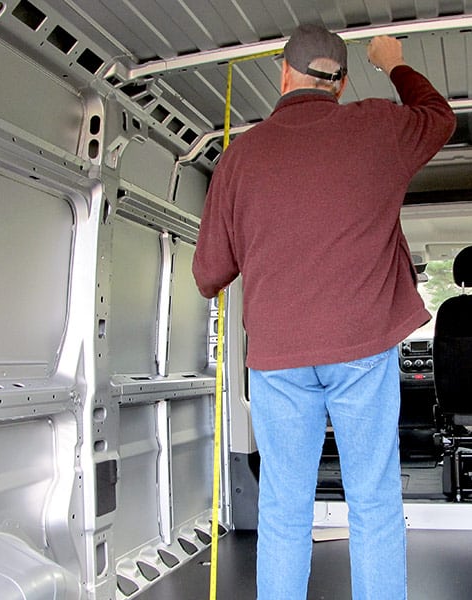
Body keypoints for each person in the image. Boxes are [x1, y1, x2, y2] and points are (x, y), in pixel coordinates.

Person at [192, 24, 456, 600]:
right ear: (340, 83)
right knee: (373, 502)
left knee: (285, 509)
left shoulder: (239, 158)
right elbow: (438, 115)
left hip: (278, 362)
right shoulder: (377, 126)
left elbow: (208, 275)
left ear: (284, 74)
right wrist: (393, 63)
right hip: (363, 350)